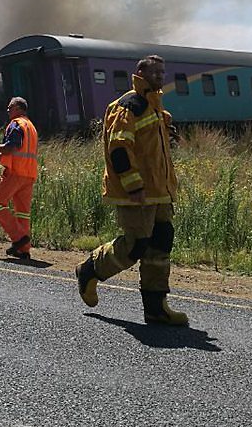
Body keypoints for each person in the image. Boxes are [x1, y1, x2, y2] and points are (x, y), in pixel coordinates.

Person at [75, 55, 189, 326]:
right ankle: (90, 269)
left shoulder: (155, 107)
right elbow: (119, 150)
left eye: (163, 71)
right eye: (155, 72)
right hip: (136, 192)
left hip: (160, 192)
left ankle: (156, 308)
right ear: (140, 72)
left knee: (161, 243)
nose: (161, 76)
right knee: (136, 245)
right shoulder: (129, 106)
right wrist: (133, 185)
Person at [0, 96, 39, 260]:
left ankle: (18, 238)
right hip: (29, 175)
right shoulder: (30, 126)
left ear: (18, 108)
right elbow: (21, 151)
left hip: (15, 173)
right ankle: (24, 250)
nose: (8, 110)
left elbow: (13, 146)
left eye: (10, 107)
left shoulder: (17, 124)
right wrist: (2, 156)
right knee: (22, 213)